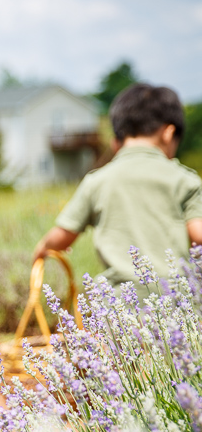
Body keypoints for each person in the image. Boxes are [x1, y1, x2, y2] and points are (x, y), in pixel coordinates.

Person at [33, 84, 202, 290]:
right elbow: (198, 235)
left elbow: (61, 237)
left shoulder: (97, 181)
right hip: (176, 300)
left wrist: (41, 250)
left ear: (115, 142)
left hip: (117, 303)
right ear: (169, 133)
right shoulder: (185, 180)